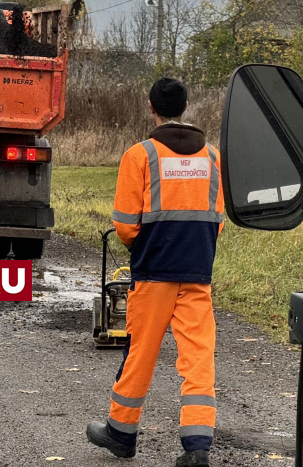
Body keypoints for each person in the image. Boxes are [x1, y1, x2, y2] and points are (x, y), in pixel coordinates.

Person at [86, 77, 224, 467]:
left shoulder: (140, 155)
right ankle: (197, 446)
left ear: (151, 108)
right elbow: (218, 218)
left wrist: (144, 246)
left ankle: (121, 433)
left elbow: (127, 224)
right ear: (185, 107)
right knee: (198, 358)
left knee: (140, 354)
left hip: (153, 273)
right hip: (197, 272)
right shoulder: (213, 157)